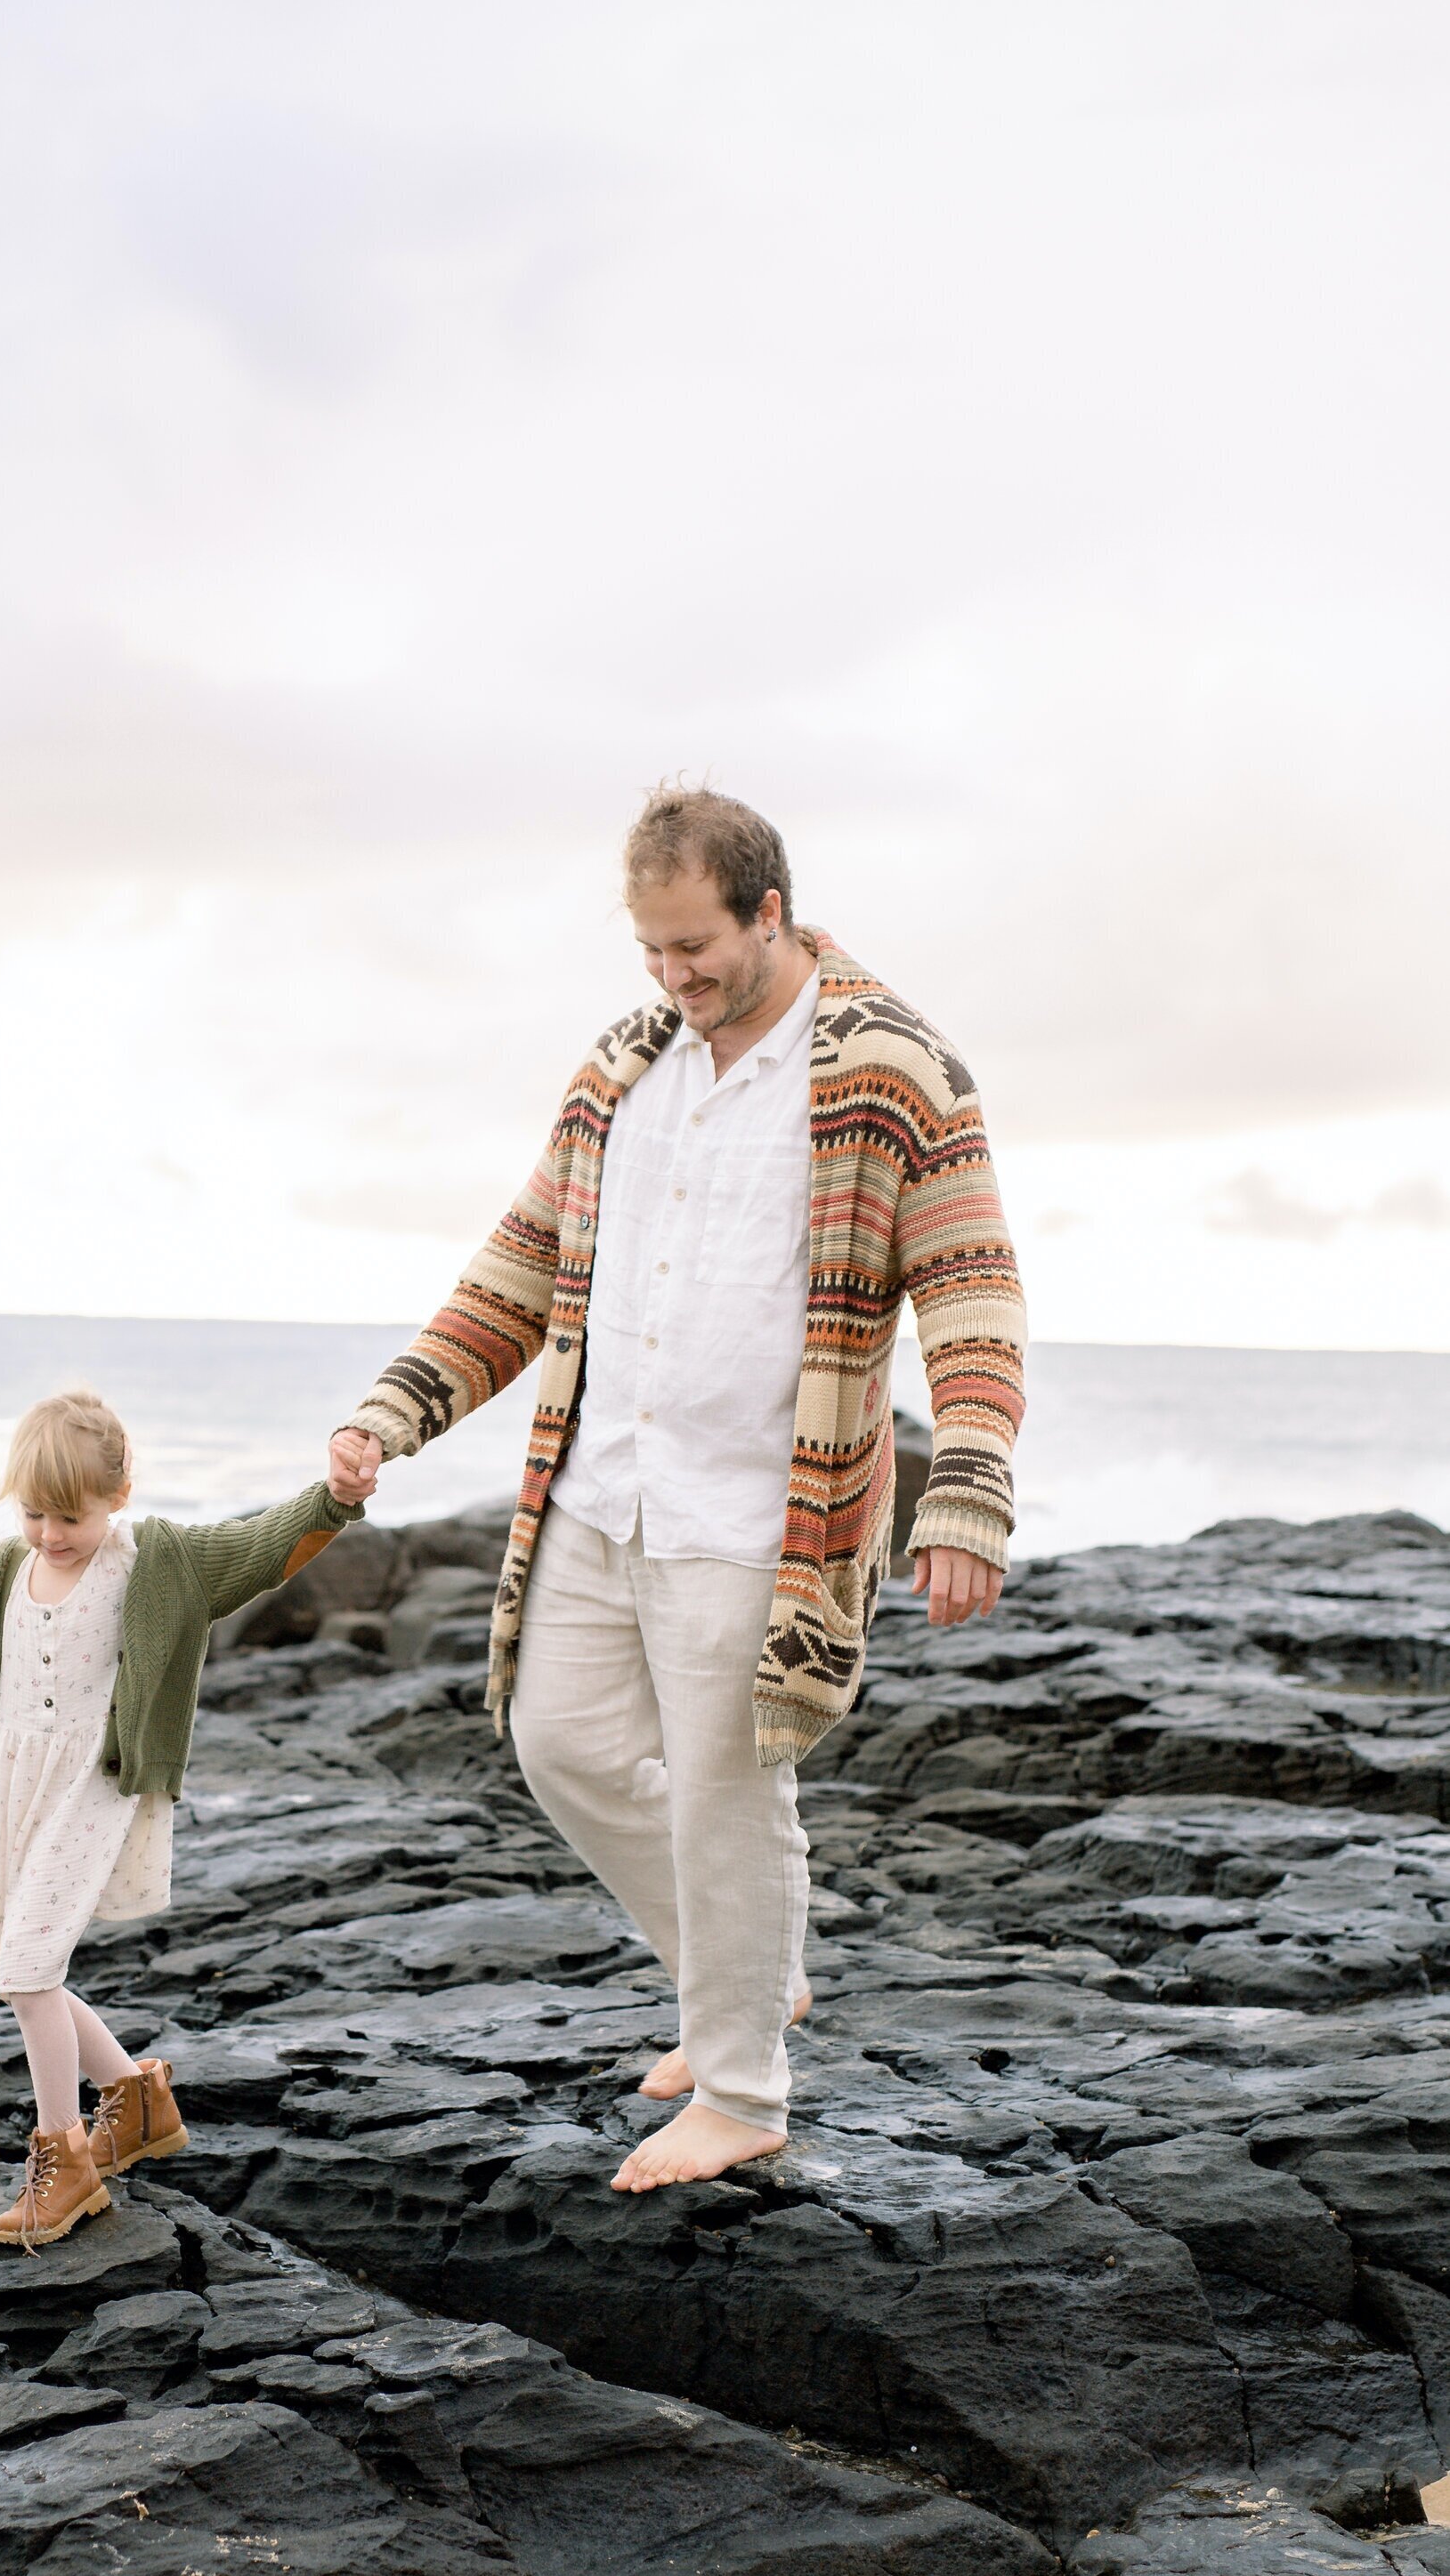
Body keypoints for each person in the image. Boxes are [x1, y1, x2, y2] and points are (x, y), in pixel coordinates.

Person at [328, 786, 1024, 2194]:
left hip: (765, 1513)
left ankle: (744, 2082)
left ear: (770, 910)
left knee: (726, 1794)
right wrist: (400, 1405)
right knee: (561, 1744)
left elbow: (971, 1292)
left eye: (695, 946)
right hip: (599, 1491)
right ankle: (747, 1971)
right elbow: (523, 1259)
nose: (673, 976)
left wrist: (968, 1489)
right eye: (650, 949)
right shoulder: (626, 1062)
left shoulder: (892, 1068)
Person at [0, 1391, 366, 2249]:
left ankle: (68, 2160)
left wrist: (336, 1497)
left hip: (98, 1784)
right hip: (17, 1789)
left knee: (27, 1970)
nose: (50, 1533)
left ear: (118, 1495)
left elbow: (263, 1546)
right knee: (30, 1969)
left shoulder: (159, 1562)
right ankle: (136, 2101)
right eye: (34, 1513)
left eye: (71, 1517)